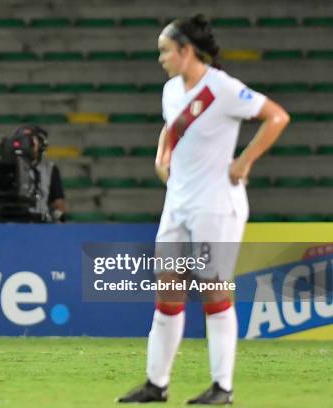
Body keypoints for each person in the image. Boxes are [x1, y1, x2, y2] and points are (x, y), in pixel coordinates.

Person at [117, 15, 289, 404]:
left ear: (186, 51)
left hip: (216, 205)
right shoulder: (171, 90)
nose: (160, 57)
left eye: (165, 50)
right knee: (168, 290)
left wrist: (244, 162)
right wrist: (163, 155)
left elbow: (276, 116)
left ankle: (222, 387)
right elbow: (170, 127)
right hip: (177, 202)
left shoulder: (223, 88)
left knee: (213, 291)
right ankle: (156, 384)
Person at [0, 125, 66, 223]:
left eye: (30, 139)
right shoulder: (2, 166)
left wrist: (57, 217)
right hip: (6, 220)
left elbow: (58, 203)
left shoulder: (50, 169)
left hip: (39, 222)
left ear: (40, 143)